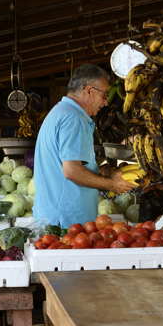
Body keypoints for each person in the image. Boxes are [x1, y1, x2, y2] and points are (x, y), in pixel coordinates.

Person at [33, 64, 135, 228]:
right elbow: (72, 171)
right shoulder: (73, 119)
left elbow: (65, 165)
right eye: (104, 95)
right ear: (89, 90)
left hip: (58, 216)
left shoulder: (62, 112)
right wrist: (112, 185)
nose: (106, 102)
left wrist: (100, 171)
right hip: (67, 221)